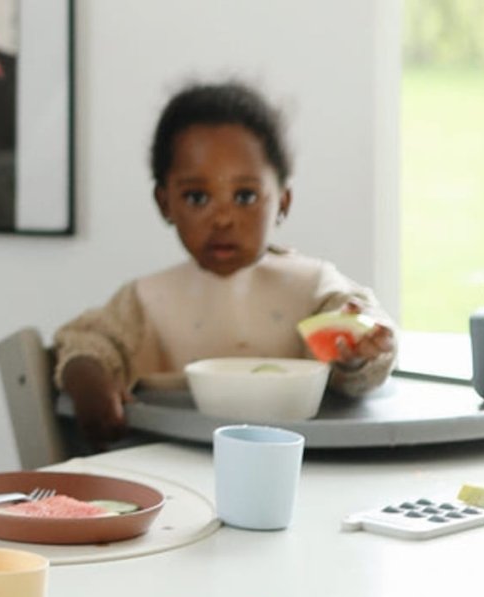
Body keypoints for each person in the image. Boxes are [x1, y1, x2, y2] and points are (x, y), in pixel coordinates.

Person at [55, 82, 397, 449]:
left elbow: (362, 336)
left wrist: (357, 355)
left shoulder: (314, 288)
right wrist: (88, 378)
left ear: (283, 200)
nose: (222, 219)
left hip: (298, 470)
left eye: (245, 196)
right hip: (168, 467)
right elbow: (87, 341)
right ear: (164, 202)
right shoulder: (147, 300)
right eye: (197, 197)